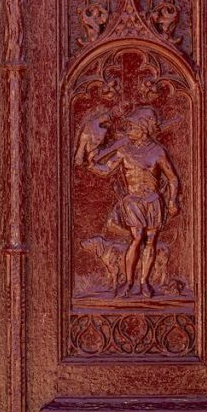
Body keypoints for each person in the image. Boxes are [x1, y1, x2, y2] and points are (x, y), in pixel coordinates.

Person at [84, 105, 179, 297]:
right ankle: (128, 281)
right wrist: (93, 165)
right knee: (137, 238)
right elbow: (107, 169)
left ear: (143, 129)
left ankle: (144, 282)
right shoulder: (124, 151)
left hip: (152, 201)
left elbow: (172, 178)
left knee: (151, 241)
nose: (128, 131)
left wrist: (172, 201)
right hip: (133, 202)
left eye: (132, 127)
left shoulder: (158, 151)